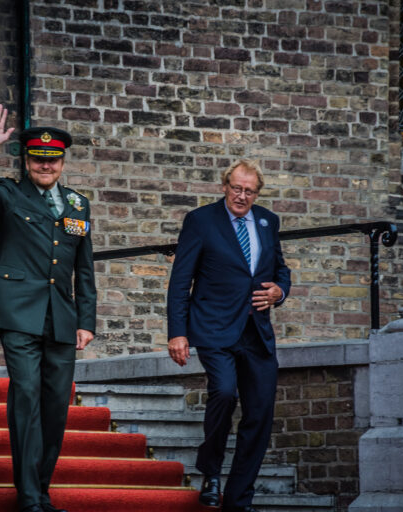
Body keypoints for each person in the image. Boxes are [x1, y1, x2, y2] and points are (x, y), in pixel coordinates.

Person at [0, 105, 96, 512]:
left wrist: (86, 321)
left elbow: (84, 267)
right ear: (26, 160)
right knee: (25, 395)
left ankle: (41, 488)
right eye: (38, 160)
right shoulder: (7, 193)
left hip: (61, 316)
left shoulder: (78, 204)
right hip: (17, 312)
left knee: (56, 404)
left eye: (52, 160)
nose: (45, 166)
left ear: (61, 162)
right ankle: (28, 496)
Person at [166, 159, 291, 512]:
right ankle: (210, 472)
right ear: (225, 186)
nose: (242, 195)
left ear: (257, 193)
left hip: (257, 333)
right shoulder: (201, 221)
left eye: (249, 191)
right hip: (214, 328)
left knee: (260, 412)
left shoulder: (268, 221)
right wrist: (178, 333)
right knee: (223, 392)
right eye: (236, 188)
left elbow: (280, 269)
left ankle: (238, 498)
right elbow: (180, 281)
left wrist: (280, 292)